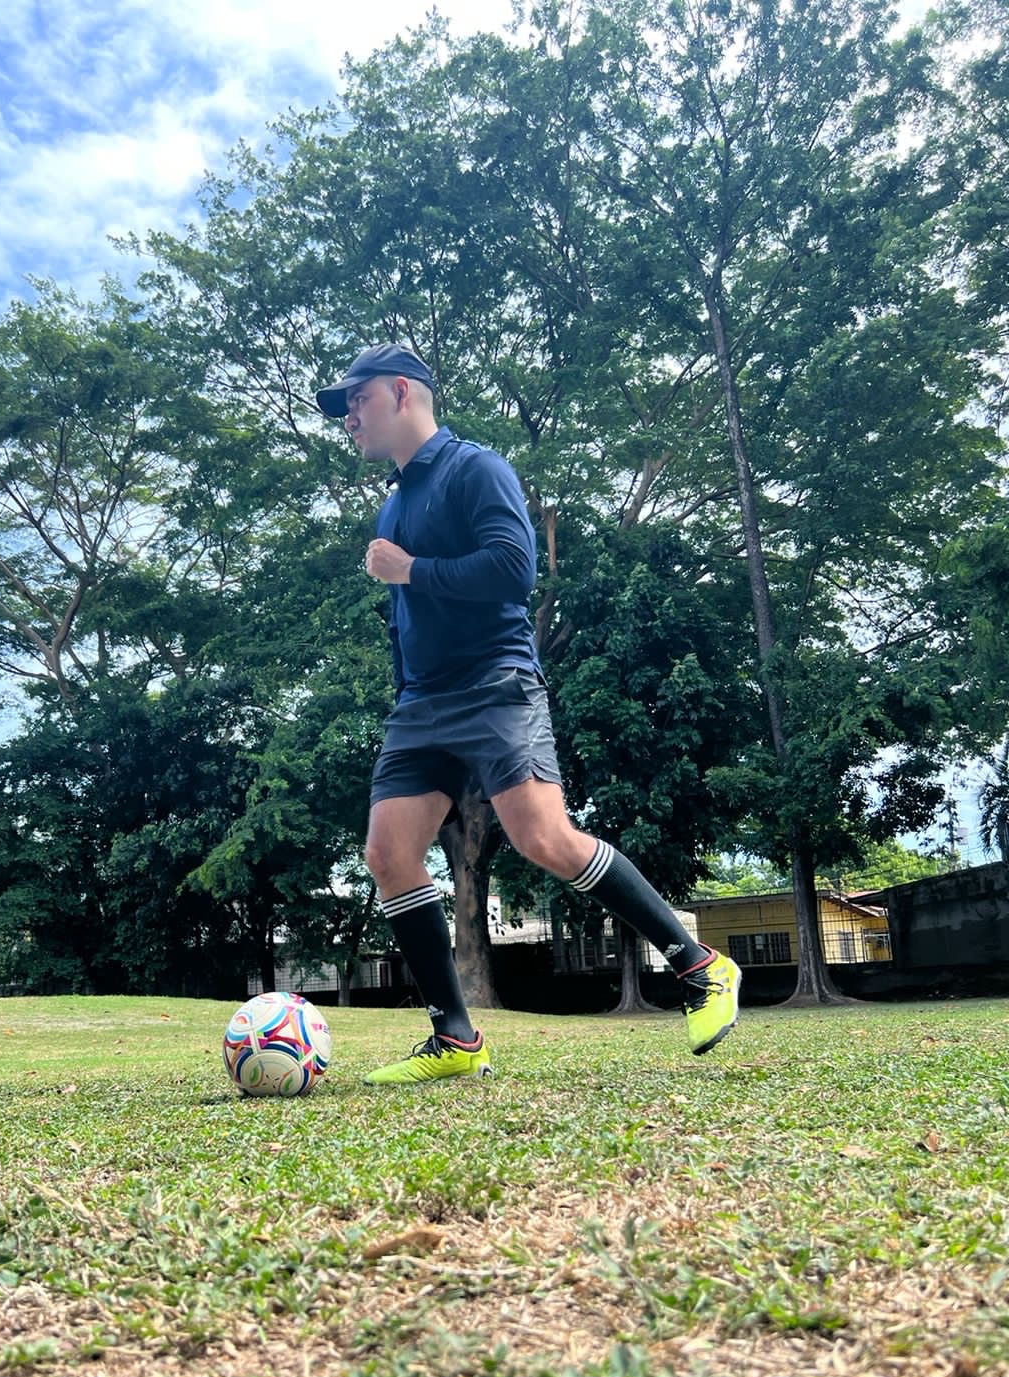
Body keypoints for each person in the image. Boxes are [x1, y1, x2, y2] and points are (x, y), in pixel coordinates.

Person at [316, 343, 740, 1085]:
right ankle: (456, 1039)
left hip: (495, 684)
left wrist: (409, 569)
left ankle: (699, 965)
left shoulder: (476, 469)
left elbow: (515, 572)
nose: (348, 417)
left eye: (356, 401)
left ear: (401, 392)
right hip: (422, 703)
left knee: (544, 838)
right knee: (388, 855)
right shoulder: (394, 500)